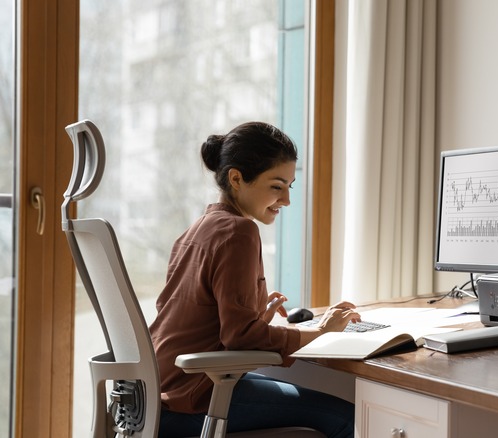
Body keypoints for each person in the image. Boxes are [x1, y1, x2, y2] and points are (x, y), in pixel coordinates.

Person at [149, 121, 359, 438]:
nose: (287, 199)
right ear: (237, 178)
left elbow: (194, 317)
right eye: (276, 186)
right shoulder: (239, 231)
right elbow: (241, 338)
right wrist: (321, 330)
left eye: (290, 186)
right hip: (193, 399)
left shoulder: (198, 229)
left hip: (161, 393)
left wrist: (255, 315)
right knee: (349, 417)